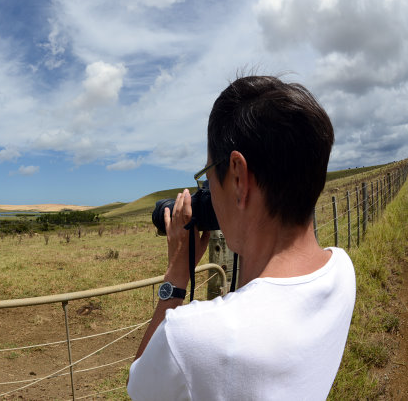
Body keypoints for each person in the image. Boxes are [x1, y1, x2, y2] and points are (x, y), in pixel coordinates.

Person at [127, 76, 356, 400]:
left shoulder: (195, 337)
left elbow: (139, 389)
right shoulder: (343, 269)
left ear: (237, 177)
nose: (207, 196)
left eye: (207, 179)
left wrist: (177, 278)